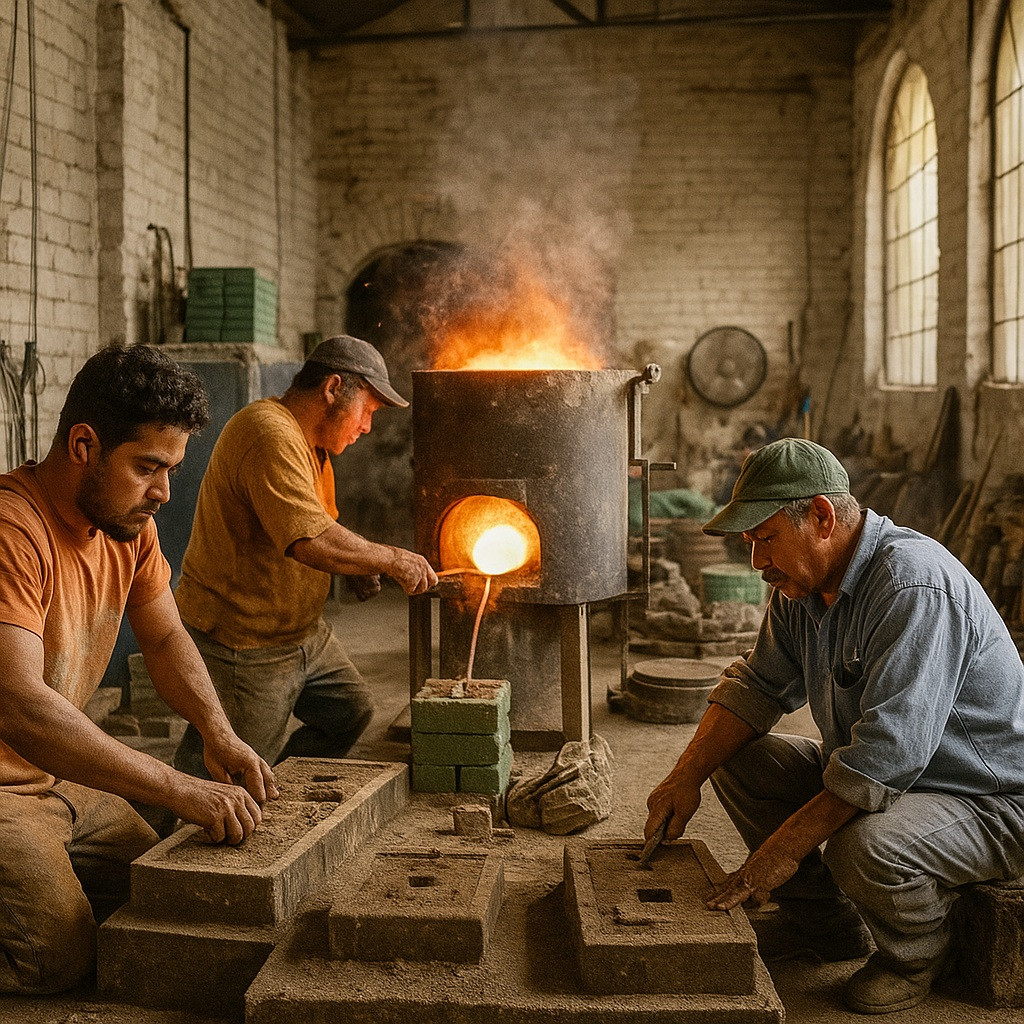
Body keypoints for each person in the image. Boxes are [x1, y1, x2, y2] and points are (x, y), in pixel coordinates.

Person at [645, 437, 1024, 1015]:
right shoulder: (801, 585)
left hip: (989, 798)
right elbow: (758, 687)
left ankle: (917, 956)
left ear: (821, 517)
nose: (756, 563)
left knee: (862, 846)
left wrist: (781, 850)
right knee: (742, 761)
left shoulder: (911, 585)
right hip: (906, 779)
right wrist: (683, 776)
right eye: (750, 543)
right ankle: (828, 930)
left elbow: (883, 760)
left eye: (765, 539)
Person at [0, 344, 278, 995]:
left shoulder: (128, 526)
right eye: (148, 467)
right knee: (57, 958)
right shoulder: (13, 530)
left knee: (157, 888)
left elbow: (165, 637)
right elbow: (17, 702)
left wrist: (218, 731)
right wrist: (176, 787)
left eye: (172, 469)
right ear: (83, 445)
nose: (164, 492)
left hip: (51, 772)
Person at [173, 334, 438, 777]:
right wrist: (389, 558)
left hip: (304, 635)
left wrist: (357, 566)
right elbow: (308, 540)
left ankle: (271, 788)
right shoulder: (267, 432)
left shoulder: (314, 448)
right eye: (368, 410)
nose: (367, 426)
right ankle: (154, 834)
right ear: (333, 388)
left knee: (350, 713)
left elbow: (323, 522)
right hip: (247, 641)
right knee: (221, 769)